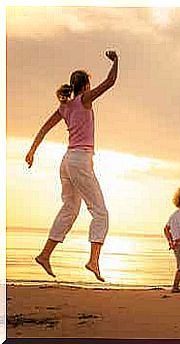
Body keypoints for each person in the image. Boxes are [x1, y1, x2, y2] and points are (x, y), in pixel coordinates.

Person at [25, 50, 119, 282]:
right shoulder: (84, 100)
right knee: (100, 212)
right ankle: (93, 260)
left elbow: (44, 128)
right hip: (79, 160)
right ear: (86, 86)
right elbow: (110, 82)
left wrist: (32, 151)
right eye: (89, 83)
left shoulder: (64, 106)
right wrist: (116, 61)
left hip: (66, 162)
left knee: (70, 209)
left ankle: (45, 254)